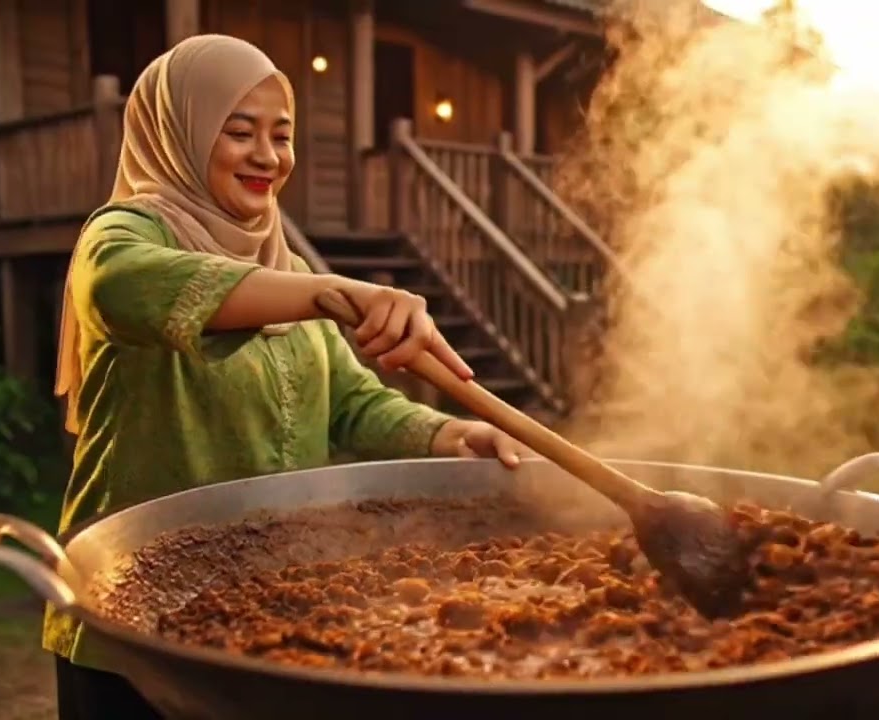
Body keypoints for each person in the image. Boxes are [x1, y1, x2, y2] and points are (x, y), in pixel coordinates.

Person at [44, 34, 529, 719]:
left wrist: (448, 434)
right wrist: (335, 291)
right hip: (132, 622)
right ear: (176, 134)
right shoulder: (121, 235)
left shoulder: (288, 271)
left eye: (282, 135)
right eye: (239, 132)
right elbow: (123, 291)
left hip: (267, 610)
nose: (268, 157)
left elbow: (350, 405)